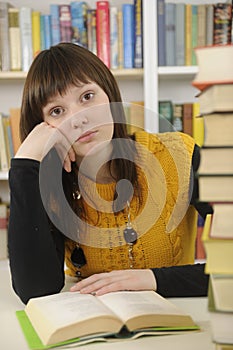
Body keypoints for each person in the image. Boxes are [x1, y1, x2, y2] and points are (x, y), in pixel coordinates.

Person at [8, 43, 212, 305]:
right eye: (57, 111)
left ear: (110, 94)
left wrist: (152, 279)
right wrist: (26, 164)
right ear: (43, 126)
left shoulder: (178, 155)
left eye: (87, 97)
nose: (79, 118)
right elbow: (35, 289)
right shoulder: (53, 185)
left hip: (183, 317)